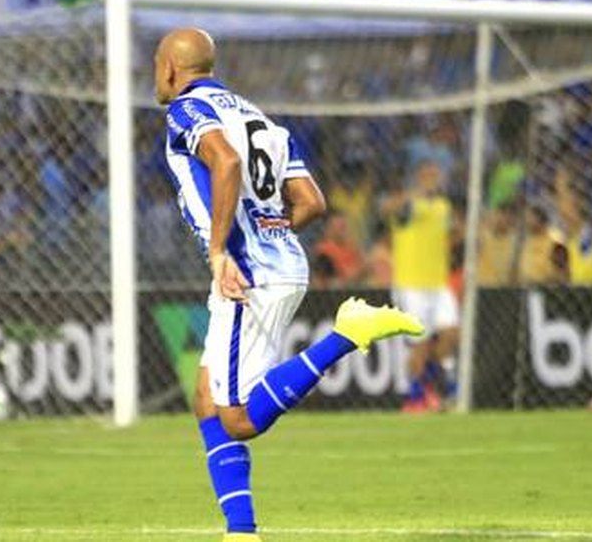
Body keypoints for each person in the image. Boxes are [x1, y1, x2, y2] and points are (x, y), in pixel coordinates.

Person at [155, 27, 422, 542]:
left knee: (237, 420)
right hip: (278, 261)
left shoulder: (187, 110)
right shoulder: (260, 118)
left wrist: (220, 252)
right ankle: (241, 531)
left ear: (170, 67)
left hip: (245, 271)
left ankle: (347, 333)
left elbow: (226, 162)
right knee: (207, 397)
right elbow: (311, 201)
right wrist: (268, 230)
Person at [381, 160, 458, 413]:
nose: (432, 180)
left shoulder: (443, 206)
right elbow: (386, 209)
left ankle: (438, 386)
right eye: (427, 175)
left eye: (435, 175)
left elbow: (450, 235)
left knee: (450, 334)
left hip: (439, 283)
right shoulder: (408, 205)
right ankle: (415, 398)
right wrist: (414, 193)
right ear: (418, 178)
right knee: (420, 344)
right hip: (411, 284)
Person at [312, 212, 364, 288]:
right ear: (329, 228)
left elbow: (364, 268)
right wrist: (357, 272)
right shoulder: (323, 250)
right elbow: (337, 279)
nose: (343, 231)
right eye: (340, 227)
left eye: (344, 227)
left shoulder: (352, 246)